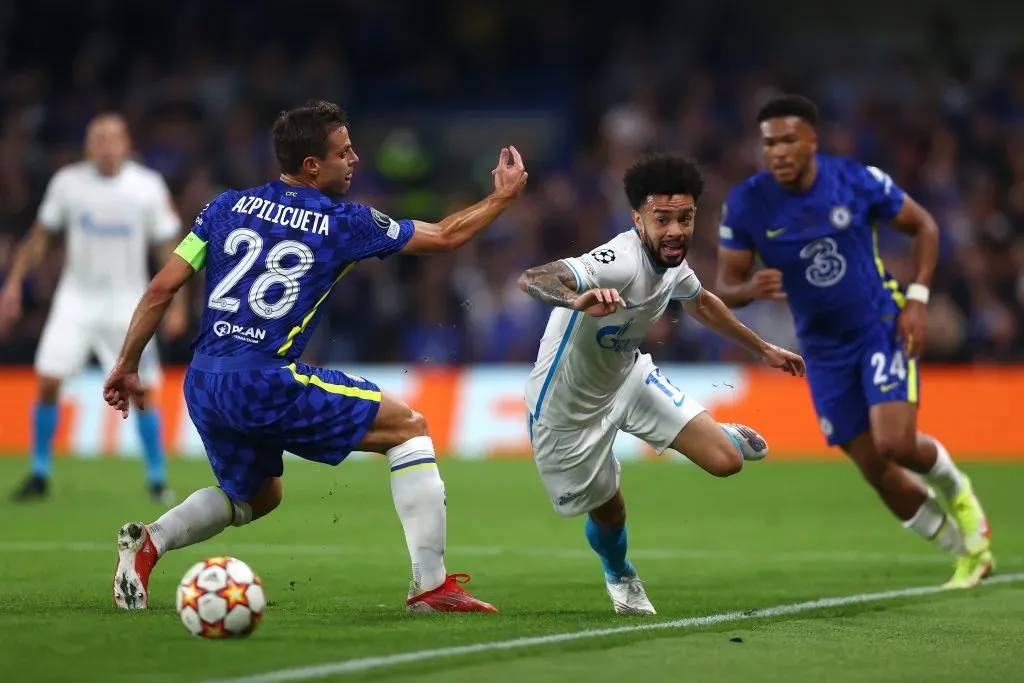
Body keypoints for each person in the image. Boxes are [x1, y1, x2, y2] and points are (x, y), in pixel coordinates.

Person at [103, 100, 528, 613]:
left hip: (205, 380)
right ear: (312, 166)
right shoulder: (342, 222)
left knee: (258, 496)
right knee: (409, 428)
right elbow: (446, 236)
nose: (355, 160)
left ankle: (149, 542)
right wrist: (501, 198)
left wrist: (126, 365)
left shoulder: (224, 208)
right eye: (343, 153)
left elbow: (160, 290)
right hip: (265, 379)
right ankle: (432, 589)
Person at [715, 94, 993, 589]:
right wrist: (747, 289)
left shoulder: (855, 180)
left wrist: (918, 300)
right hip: (821, 351)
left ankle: (960, 492)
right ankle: (967, 552)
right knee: (875, 468)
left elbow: (923, 226)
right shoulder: (747, 203)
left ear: (812, 142)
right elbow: (727, 284)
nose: (777, 151)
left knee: (896, 443)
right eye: (769, 143)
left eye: (788, 140)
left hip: (879, 326)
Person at [517, 153, 805, 614]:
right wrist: (578, 298)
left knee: (727, 461)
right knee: (610, 512)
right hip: (566, 411)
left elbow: (703, 302)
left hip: (629, 376)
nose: (676, 230)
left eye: (685, 218)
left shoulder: (672, 264)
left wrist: (763, 349)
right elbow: (533, 278)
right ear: (638, 219)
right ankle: (620, 576)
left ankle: (721, 435)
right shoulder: (617, 261)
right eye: (662, 219)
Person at [0, 113, 186, 505]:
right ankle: (39, 473)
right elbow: (41, 237)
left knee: (143, 392)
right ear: (89, 143)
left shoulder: (146, 186)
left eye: (112, 137)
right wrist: (14, 284)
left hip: (127, 305)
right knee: (48, 381)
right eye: (97, 137)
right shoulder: (69, 183)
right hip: (76, 301)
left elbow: (168, 247)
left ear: (126, 142)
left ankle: (157, 478)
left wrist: (177, 301)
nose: (105, 144)